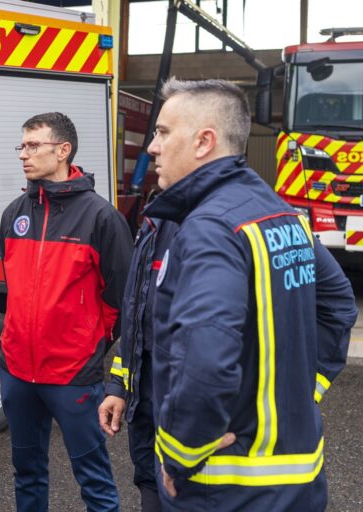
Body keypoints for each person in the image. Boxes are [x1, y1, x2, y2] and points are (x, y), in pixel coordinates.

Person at [141, 78, 358, 511]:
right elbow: (338, 303)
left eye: (163, 132)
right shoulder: (278, 211)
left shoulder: (210, 228)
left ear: (204, 141)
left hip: (226, 490)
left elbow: (206, 356)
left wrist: (180, 455)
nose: (151, 146)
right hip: (300, 479)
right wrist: (305, 387)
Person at [0, 112, 132, 512]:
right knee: (27, 472)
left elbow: (121, 300)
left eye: (33, 145)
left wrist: (87, 344)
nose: (24, 154)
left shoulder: (100, 217)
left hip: (72, 375)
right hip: (18, 372)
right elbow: (14, 287)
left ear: (63, 150)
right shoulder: (14, 214)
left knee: (93, 479)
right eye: (22, 145)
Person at [98, 216, 178, 512]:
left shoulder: (225, 219)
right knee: (150, 487)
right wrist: (118, 385)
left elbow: (331, 298)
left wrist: (301, 389)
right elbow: (136, 321)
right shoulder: (155, 220)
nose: (156, 165)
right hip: (147, 413)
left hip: (191, 426)